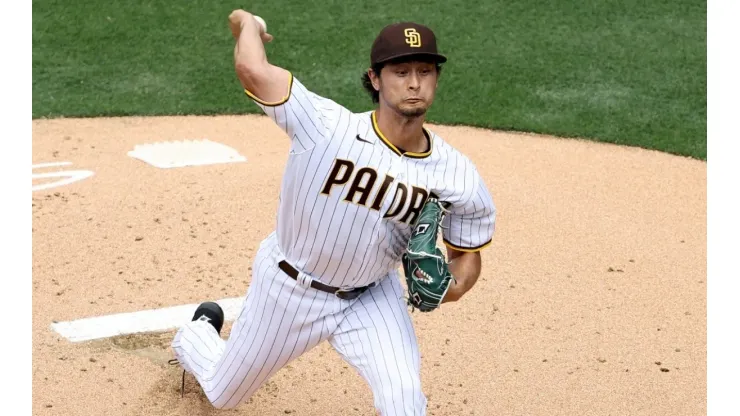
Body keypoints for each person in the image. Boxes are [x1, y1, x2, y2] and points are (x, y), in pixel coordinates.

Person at [170, 9, 497, 415]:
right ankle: (197, 333)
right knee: (222, 392)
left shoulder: (457, 172)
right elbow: (252, 69)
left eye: (425, 70)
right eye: (401, 71)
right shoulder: (326, 127)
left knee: (405, 403)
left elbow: (467, 255)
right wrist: (249, 25)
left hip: (371, 297)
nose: (414, 82)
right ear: (375, 78)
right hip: (289, 289)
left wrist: (451, 287)